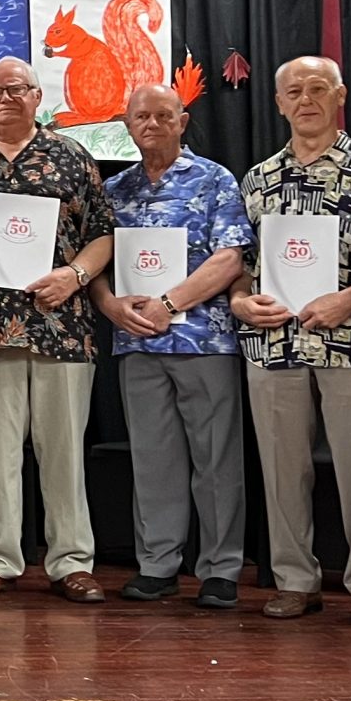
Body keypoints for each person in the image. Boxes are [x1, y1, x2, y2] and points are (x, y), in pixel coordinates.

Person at [0, 57, 114, 605]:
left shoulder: (72, 155)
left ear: (38, 97)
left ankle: (72, 561)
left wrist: (74, 275)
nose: (5, 99)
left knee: (63, 451)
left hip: (63, 326)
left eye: (17, 89)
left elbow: (103, 233)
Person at [229, 56, 351, 622]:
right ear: (279, 104)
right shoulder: (258, 178)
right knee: (281, 469)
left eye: (318, 88)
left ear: (339, 96)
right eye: (293, 91)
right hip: (273, 342)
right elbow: (241, 263)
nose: (306, 99)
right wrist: (239, 302)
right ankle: (295, 578)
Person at [92, 84, 254, 610]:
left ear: (182, 122)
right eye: (142, 116)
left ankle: (220, 569)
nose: (153, 124)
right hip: (137, 342)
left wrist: (169, 302)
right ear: (127, 125)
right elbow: (94, 260)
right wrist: (109, 305)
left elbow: (231, 257)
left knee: (216, 460)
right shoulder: (113, 190)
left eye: (164, 115)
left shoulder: (214, 179)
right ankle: (157, 565)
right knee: (152, 459)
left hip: (203, 339)